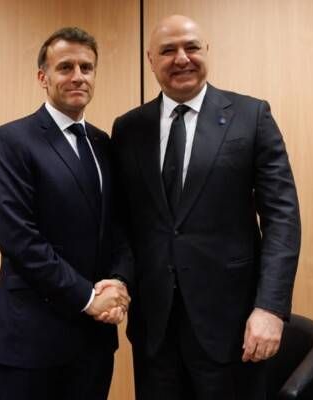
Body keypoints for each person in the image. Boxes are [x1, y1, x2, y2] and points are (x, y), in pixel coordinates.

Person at [111, 15, 301, 400]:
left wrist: (270, 308)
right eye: (168, 50)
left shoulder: (251, 116)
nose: (182, 58)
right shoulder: (128, 128)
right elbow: (123, 222)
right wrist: (117, 280)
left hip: (233, 328)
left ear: (207, 51)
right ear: (151, 60)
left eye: (191, 47)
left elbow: (282, 219)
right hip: (154, 331)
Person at [0, 27, 130, 400]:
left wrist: (118, 283)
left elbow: (119, 227)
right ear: (42, 77)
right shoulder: (12, 140)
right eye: (65, 67)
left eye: (86, 67)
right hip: (31, 340)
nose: (78, 76)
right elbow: (19, 239)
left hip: (94, 341)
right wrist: (88, 298)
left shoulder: (103, 143)